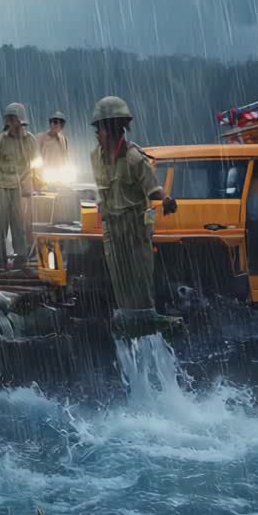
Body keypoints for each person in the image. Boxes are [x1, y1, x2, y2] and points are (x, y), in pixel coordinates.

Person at [90, 96, 183, 339]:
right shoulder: (95, 157)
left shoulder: (134, 158)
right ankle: (129, 318)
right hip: (111, 224)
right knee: (118, 272)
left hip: (134, 223)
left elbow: (152, 188)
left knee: (139, 271)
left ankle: (146, 315)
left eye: (98, 128)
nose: (96, 134)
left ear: (109, 129)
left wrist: (166, 200)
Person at [0, 102, 41, 270]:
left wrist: (38, 184)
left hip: (18, 187)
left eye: (14, 119)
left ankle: (21, 258)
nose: (11, 123)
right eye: (9, 119)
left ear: (21, 121)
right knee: (0, 225)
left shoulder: (31, 141)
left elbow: (36, 165)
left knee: (19, 224)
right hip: (0, 185)